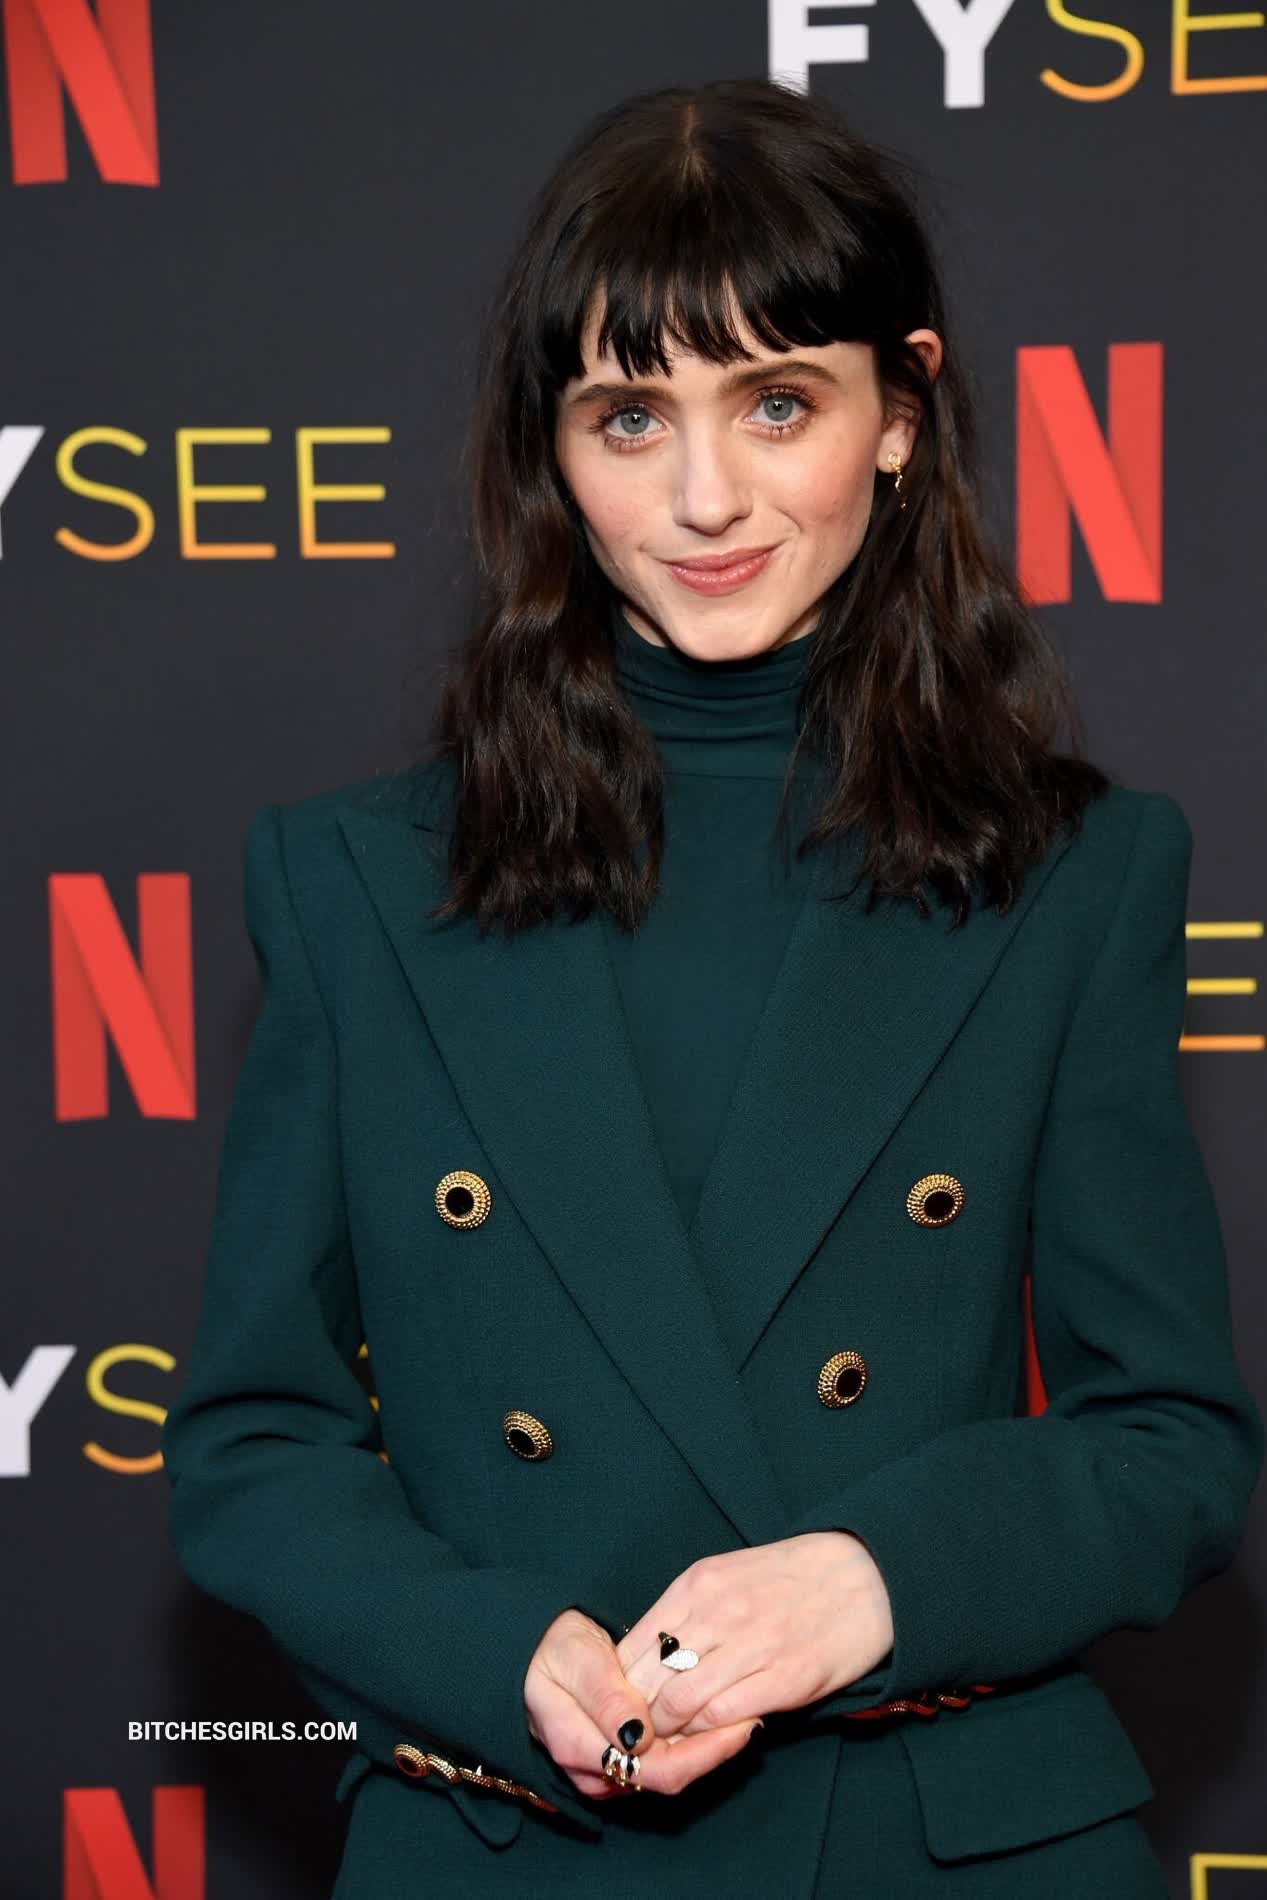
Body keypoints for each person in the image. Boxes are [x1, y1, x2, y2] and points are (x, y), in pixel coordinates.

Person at [161, 76, 1264, 1898]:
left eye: (776, 403)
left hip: (941, 1835)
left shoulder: (1078, 874)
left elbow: (1170, 1442)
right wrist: (490, 1649)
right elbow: (256, 1438)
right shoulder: (355, 883)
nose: (702, 498)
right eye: (628, 416)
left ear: (900, 411)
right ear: (551, 448)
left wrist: (876, 1581)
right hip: (508, 1829)